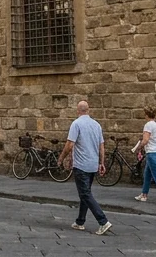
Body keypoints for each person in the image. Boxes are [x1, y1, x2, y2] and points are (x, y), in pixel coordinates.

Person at [61, 100, 112, 236]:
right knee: (86, 193)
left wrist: (61, 157)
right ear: (88, 110)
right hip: (93, 164)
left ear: (78, 111)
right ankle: (80, 221)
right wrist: (101, 163)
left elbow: (70, 145)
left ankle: (103, 221)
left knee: (85, 194)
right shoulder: (96, 125)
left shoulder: (76, 124)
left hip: (81, 165)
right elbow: (101, 146)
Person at [132, 107, 156, 205]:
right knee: (147, 175)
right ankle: (144, 195)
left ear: (146, 115)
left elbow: (145, 140)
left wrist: (139, 147)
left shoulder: (148, 125)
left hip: (152, 153)